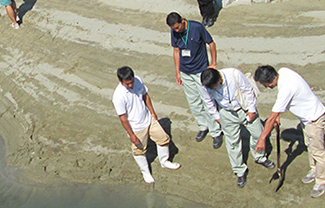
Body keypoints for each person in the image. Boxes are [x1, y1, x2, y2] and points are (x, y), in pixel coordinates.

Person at [254, 65, 325, 198]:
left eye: (264, 84)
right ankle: (315, 170)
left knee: (318, 151)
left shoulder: (286, 89)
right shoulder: (283, 72)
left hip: (314, 118)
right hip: (306, 119)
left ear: (270, 80)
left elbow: (271, 119)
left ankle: (322, 181)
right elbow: (280, 103)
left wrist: (261, 140)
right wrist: (278, 113)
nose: (265, 87)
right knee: (309, 145)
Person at [200, 67, 275, 188]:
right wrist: (217, 117)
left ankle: (260, 157)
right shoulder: (205, 85)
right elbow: (208, 102)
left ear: (219, 79)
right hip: (226, 112)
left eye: (214, 87)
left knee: (258, 134)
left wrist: (251, 110)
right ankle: (239, 170)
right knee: (232, 142)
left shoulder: (234, 74)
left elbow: (248, 90)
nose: (212, 89)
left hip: (243, 108)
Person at [112, 66, 180, 183]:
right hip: (136, 127)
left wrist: (153, 112)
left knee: (163, 139)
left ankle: (164, 161)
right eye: (127, 84)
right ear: (120, 82)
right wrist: (131, 135)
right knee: (139, 150)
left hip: (148, 118)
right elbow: (123, 118)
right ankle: (145, 172)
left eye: (131, 82)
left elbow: (145, 96)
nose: (131, 85)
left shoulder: (138, 80)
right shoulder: (118, 96)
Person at [166, 12, 222, 149]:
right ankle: (203, 126)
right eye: (174, 29)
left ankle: (216, 132)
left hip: (200, 71)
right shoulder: (174, 32)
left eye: (178, 28)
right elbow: (176, 51)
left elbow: (211, 43)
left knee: (207, 100)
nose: (176, 31)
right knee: (193, 102)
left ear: (183, 21)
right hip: (186, 72)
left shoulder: (197, 27)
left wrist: (213, 62)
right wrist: (178, 72)